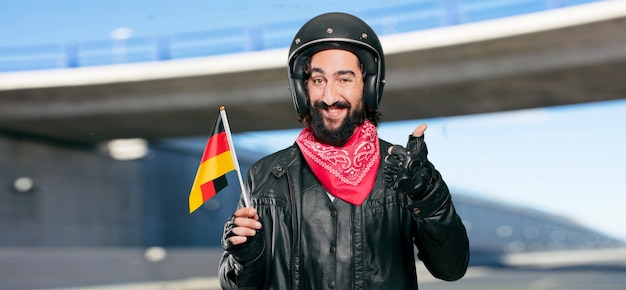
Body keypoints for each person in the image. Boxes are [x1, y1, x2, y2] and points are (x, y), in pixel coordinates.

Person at [219, 12, 469, 289]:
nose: (329, 97)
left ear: (369, 86)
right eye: (318, 80)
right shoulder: (263, 176)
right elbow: (234, 286)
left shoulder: (403, 172)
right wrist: (246, 259)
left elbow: (451, 269)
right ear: (301, 91)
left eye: (344, 79)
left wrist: (428, 196)